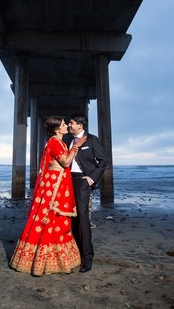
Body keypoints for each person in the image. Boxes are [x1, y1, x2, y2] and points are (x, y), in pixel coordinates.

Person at [9, 116, 87, 276]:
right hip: (54, 187)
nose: (66, 126)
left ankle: (58, 261)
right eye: (64, 124)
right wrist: (76, 148)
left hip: (58, 184)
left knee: (59, 221)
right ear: (57, 128)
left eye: (66, 124)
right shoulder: (54, 142)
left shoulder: (61, 142)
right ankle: (42, 261)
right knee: (50, 218)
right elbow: (65, 162)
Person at [67, 113, 108, 273]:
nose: (69, 125)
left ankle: (88, 257)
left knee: (83, 218)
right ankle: (76, 253)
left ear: (80, 125)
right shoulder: (68, 141)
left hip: (83, 181)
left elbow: (104, 160)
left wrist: (91, 179)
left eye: (71, 123)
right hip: (69, 182)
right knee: (73, 218)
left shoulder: (91, 139)